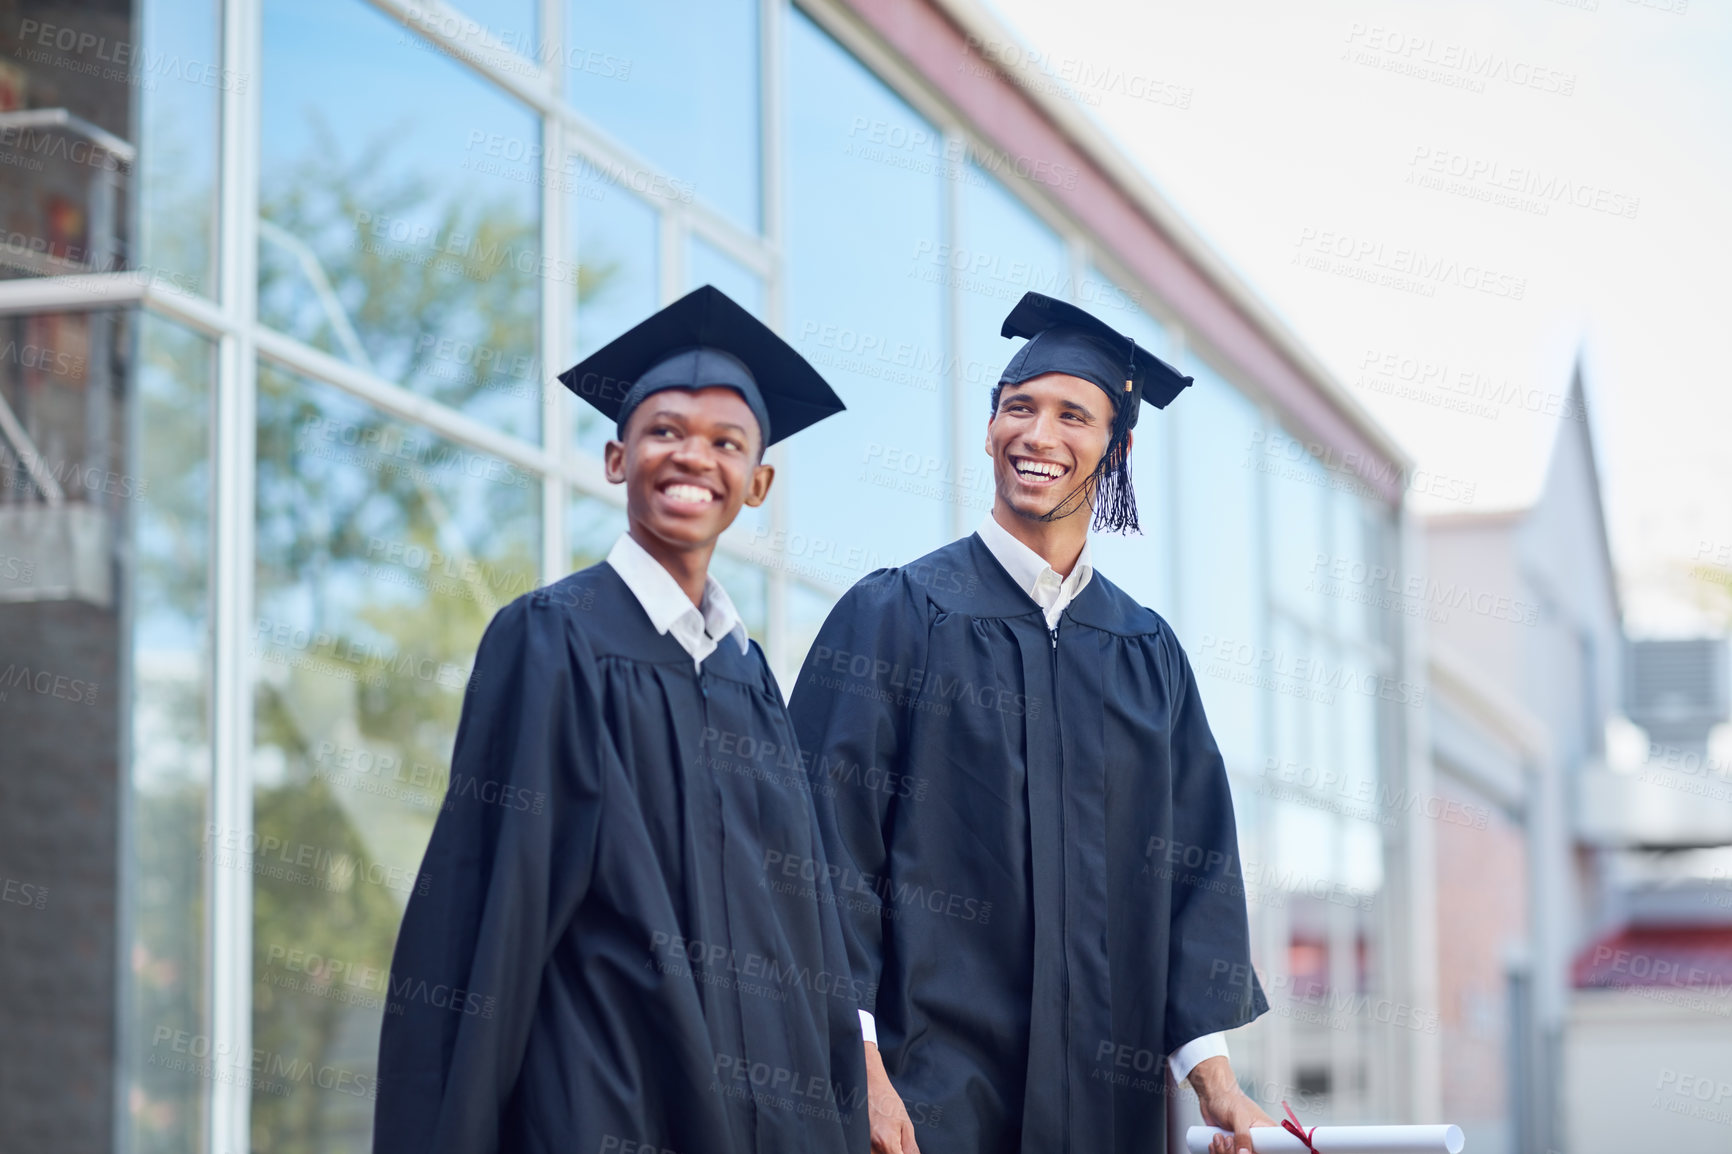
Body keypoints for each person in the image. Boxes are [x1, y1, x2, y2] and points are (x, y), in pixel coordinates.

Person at [375, 286, 868, 1154]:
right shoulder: (552, 637)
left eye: (726, 443)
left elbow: (809, 934)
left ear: (757, 483)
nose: (692, 458)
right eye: (664, 432)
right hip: (607, 1103)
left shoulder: (752, 681)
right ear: (615, 458)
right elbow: (491, 904)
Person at [787, 292, 1273, 1154]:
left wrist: (1219, 1085)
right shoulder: (896, 616)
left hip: (1105, 1109)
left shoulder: (1144, 652)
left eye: (1072, 416)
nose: (1038, 436)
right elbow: (823, 855)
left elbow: (1194, 873)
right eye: (1019, 408)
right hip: (924, 1103)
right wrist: (853, 1070)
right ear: (988, 431)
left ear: (1115, 450)